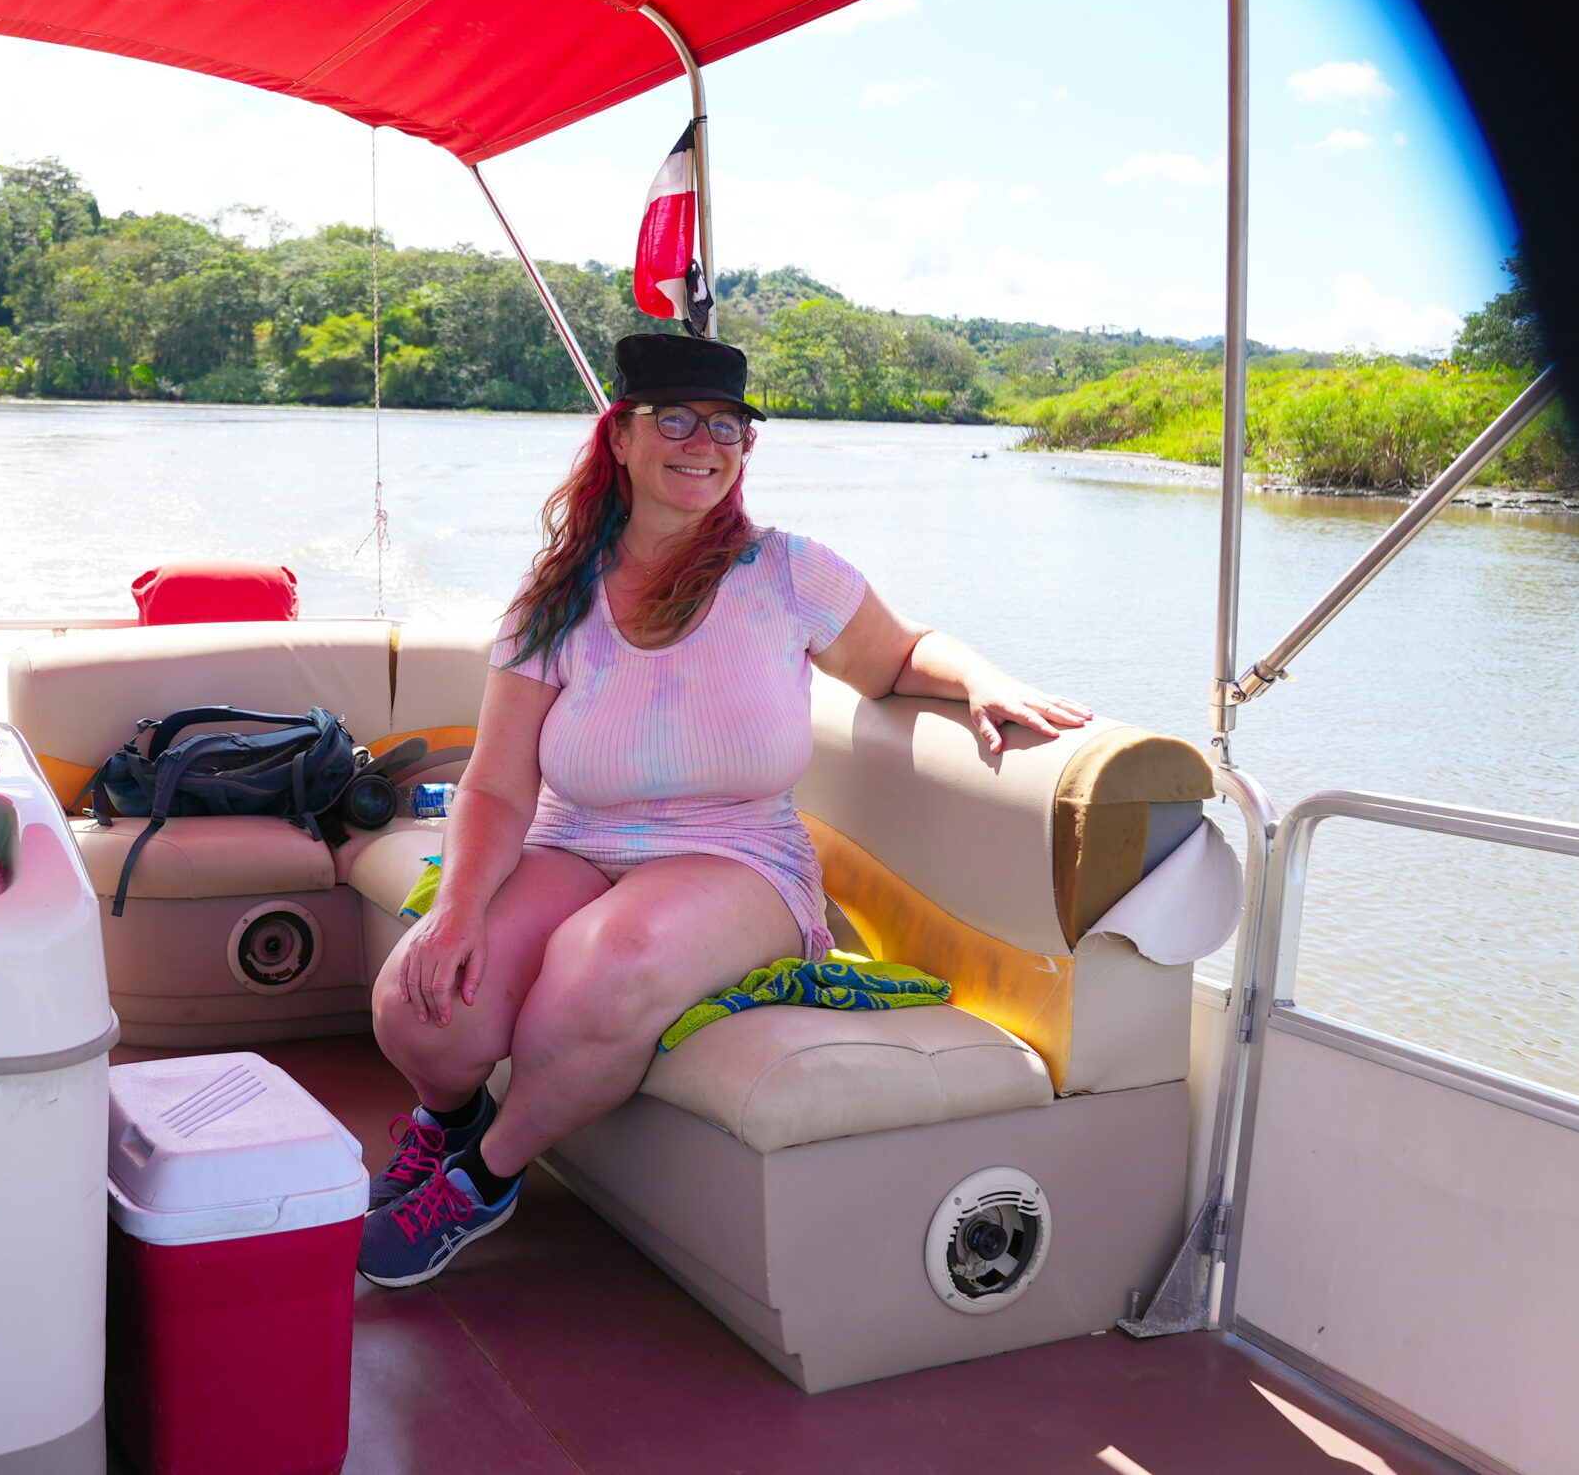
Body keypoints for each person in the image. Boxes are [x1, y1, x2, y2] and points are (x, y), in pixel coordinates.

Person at [357, 333, 1091, 1287]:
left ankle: (485, 1180)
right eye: (675, 419)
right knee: (423, 1005)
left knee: (603, 966)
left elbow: (899, 658)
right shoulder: (551, 601)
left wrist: (983, 680)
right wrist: (458, 910)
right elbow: (498, 786)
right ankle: (448, 1120)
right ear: (620, 436)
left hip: (740, 856)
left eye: (728, 428)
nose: (703, 442)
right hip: (574, 838)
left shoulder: (786, 573)